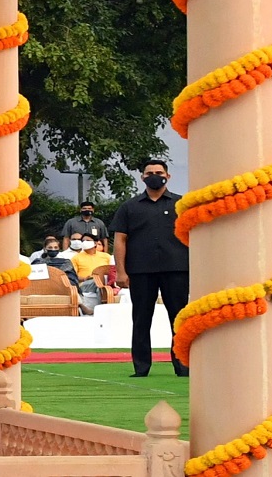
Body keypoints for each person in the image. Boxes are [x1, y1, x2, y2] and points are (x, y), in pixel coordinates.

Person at [111, 160, 189, 378]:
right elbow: (120, 240)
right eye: (150, 173)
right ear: (142, 177)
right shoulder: (130, 206)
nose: (155, 176)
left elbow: (195, 235)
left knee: (179, 319)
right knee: (141, 318)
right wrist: (121, 271)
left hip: (176, 269)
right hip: (140, 271)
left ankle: (183, 366)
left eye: (159, 172)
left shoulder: (181, 204)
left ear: (168, 176)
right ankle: (141, 367)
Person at [73, 234, 113, 315]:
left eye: (87, 240)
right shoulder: (76, 258)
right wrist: (84, 278)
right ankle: (101, 309)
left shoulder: (106, 256)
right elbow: (73, 276)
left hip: (103, 283)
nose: (84, 242)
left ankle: (102, 308)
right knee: (97, 281)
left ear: (95, 243)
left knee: (99, 284)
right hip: (85, 284)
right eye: (83, 241)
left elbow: (113, 271)